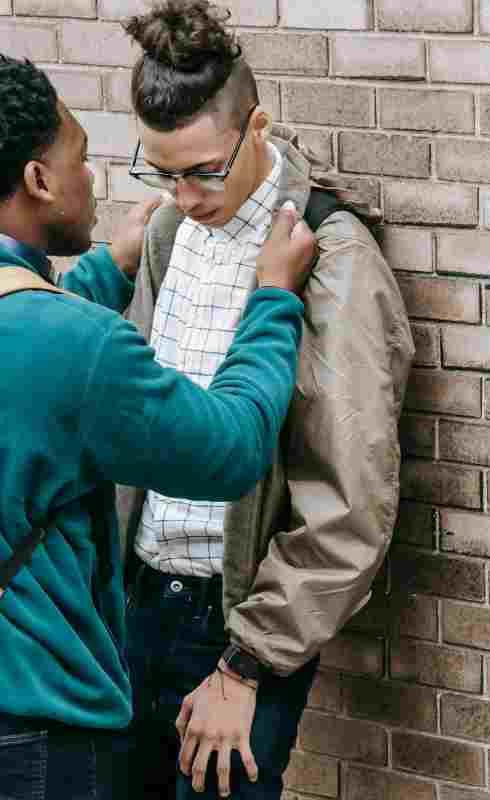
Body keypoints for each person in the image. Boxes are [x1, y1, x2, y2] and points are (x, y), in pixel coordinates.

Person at [116, 2, 415, 798]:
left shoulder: (329, 254)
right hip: (133, 601)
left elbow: (350, 498)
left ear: (258, 126)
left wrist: (246, 666)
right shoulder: (167, 236)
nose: (185, 194)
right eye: (164, 172)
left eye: (204, 169)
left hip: (236, 624)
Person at [0, 54, 316, 800]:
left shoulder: (55, 329)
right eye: (80, 156)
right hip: (40, 728)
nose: (94, 179)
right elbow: (233, 447)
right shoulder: (76, 344)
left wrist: (105, 270)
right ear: (40, 181)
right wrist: (272, 300)